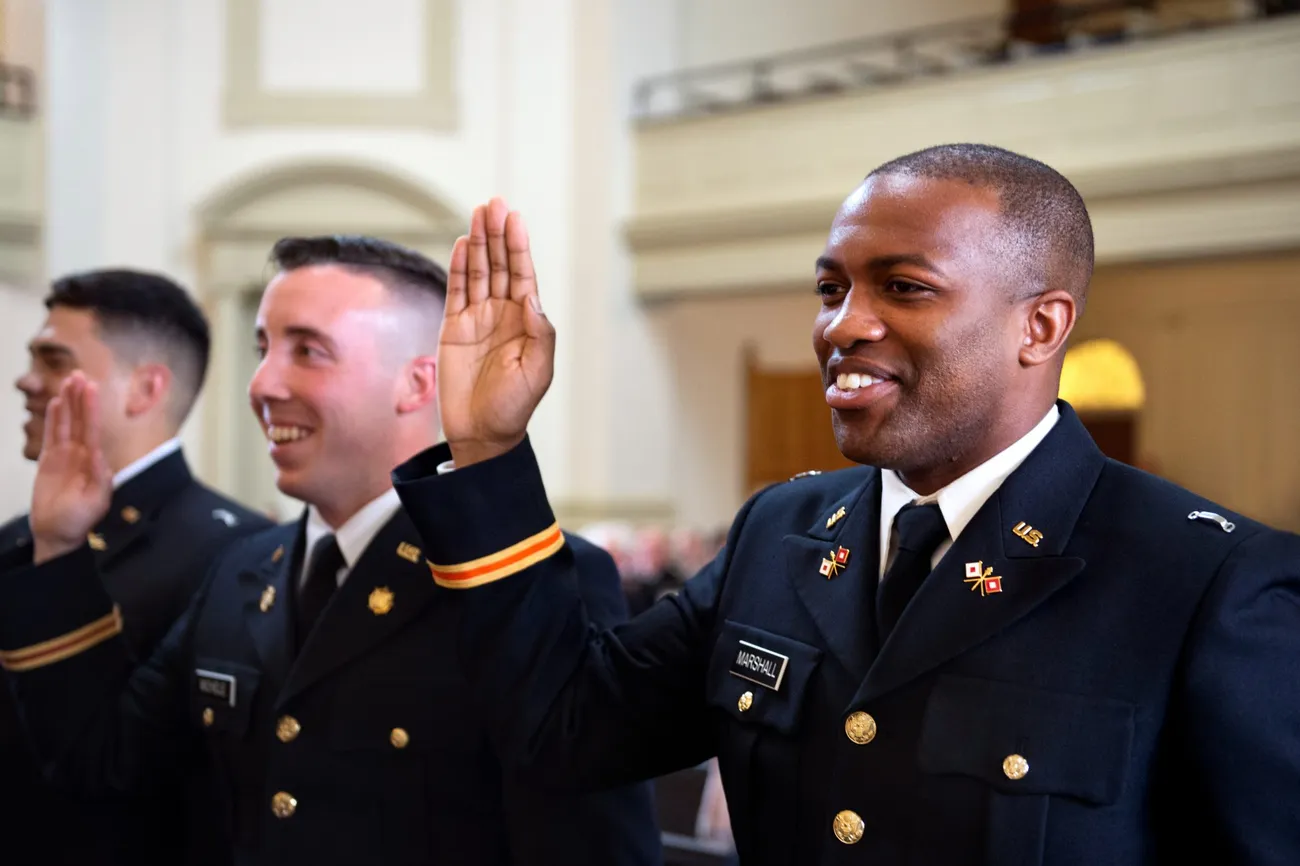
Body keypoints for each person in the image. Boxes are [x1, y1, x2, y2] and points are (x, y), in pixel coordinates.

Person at [390, 150, 1300, 866]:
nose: (841, 325)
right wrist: (489, 452)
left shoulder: (1203, 582)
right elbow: (565, 731)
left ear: (1042, 326)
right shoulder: (781, 533)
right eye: (832, 289)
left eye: (903, 288)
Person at [0, 237, 661, 865]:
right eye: (263, 347)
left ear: (416, 383)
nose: (262, 383)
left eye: (307, 351)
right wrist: (59, 546)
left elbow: (589, 849)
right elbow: (105, 758)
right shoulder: (242, 569)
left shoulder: (518, 582)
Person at [0, 270, 270, 866]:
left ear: (145, 389)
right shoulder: (19, 537)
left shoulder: (236, 554)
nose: (25, 380)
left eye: (53, 360)